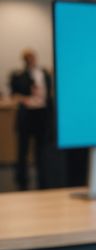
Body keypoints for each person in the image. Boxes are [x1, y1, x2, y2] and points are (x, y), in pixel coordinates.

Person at [8, 48, 53, 190]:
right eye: (28, 58)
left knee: (41, 150)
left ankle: (43, 178)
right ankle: (22, 179)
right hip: (26, 116)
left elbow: (48, 94)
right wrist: (25, 98)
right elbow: (15, 94)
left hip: (41, 116)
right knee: (23, 149)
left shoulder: (44, 73)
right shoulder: (18, 75)